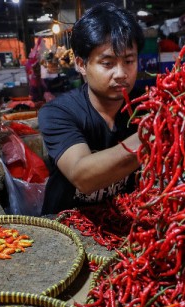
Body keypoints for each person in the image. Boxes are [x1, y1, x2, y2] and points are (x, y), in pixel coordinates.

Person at [38, 3, 144, 215]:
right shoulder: (58, 113)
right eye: (107, 63)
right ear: (81, 64)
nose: (121, 73)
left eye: (129, 61)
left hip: (122, 221)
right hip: (68, 225)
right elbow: (83, 176)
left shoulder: (146, 104)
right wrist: (153, 133)